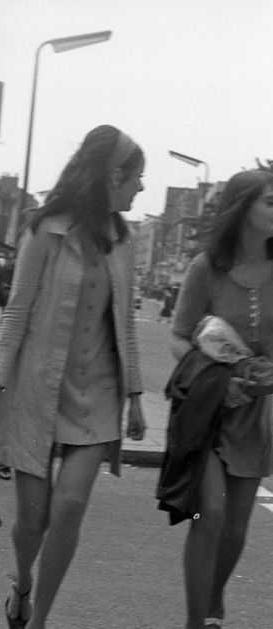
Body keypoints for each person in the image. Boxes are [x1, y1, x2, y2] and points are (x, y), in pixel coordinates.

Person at [0, 124, 146, 629]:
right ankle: (22, 585)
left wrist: (135, 396)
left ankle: (40, 619)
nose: (141, 188)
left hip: (98, 395)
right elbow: (16, 314)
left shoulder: (123, 241)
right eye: (137, 178)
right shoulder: (44, 230)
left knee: (70, 506)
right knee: (33, 521)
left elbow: (125, 324)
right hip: (36, 392)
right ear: (114, 176)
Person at [169, 169, 273, 629]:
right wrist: (214, 377)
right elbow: (177, 338)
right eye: (271, 201)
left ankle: (211, 602)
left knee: (234, 530)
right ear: (243, 208)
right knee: (207, 512)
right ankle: (196, 621)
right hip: (209, 410)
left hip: (256, 413)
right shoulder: (205, 268)